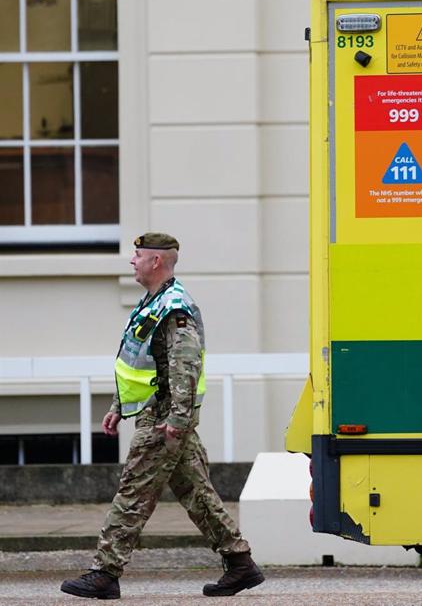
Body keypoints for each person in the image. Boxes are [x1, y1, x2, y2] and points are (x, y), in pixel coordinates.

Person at [61, 233, 265, 599]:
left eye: (137, 255)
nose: (131, 261)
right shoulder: (152, 303)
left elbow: (185, 365)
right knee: (196, 493)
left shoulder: (174, 307)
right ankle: (240, 563)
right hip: (159, 414)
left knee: (132, 493)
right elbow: (138, 362)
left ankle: (105, 572)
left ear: (156, 262)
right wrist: (118, 406)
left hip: (163, 419)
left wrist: (177, 419)